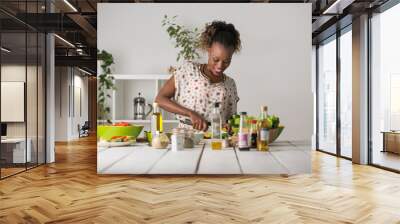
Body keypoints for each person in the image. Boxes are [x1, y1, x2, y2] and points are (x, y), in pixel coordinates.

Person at [155, 20, 241, 131]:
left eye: (226, 61)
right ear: (208, 50)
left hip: (217, 141)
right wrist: (190, 113)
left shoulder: (230, 84)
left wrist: (230, 126)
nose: (220, 66)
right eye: (216, 59)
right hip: (187, 138)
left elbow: (231, 119)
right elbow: (160, 99)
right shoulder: (188, 70)